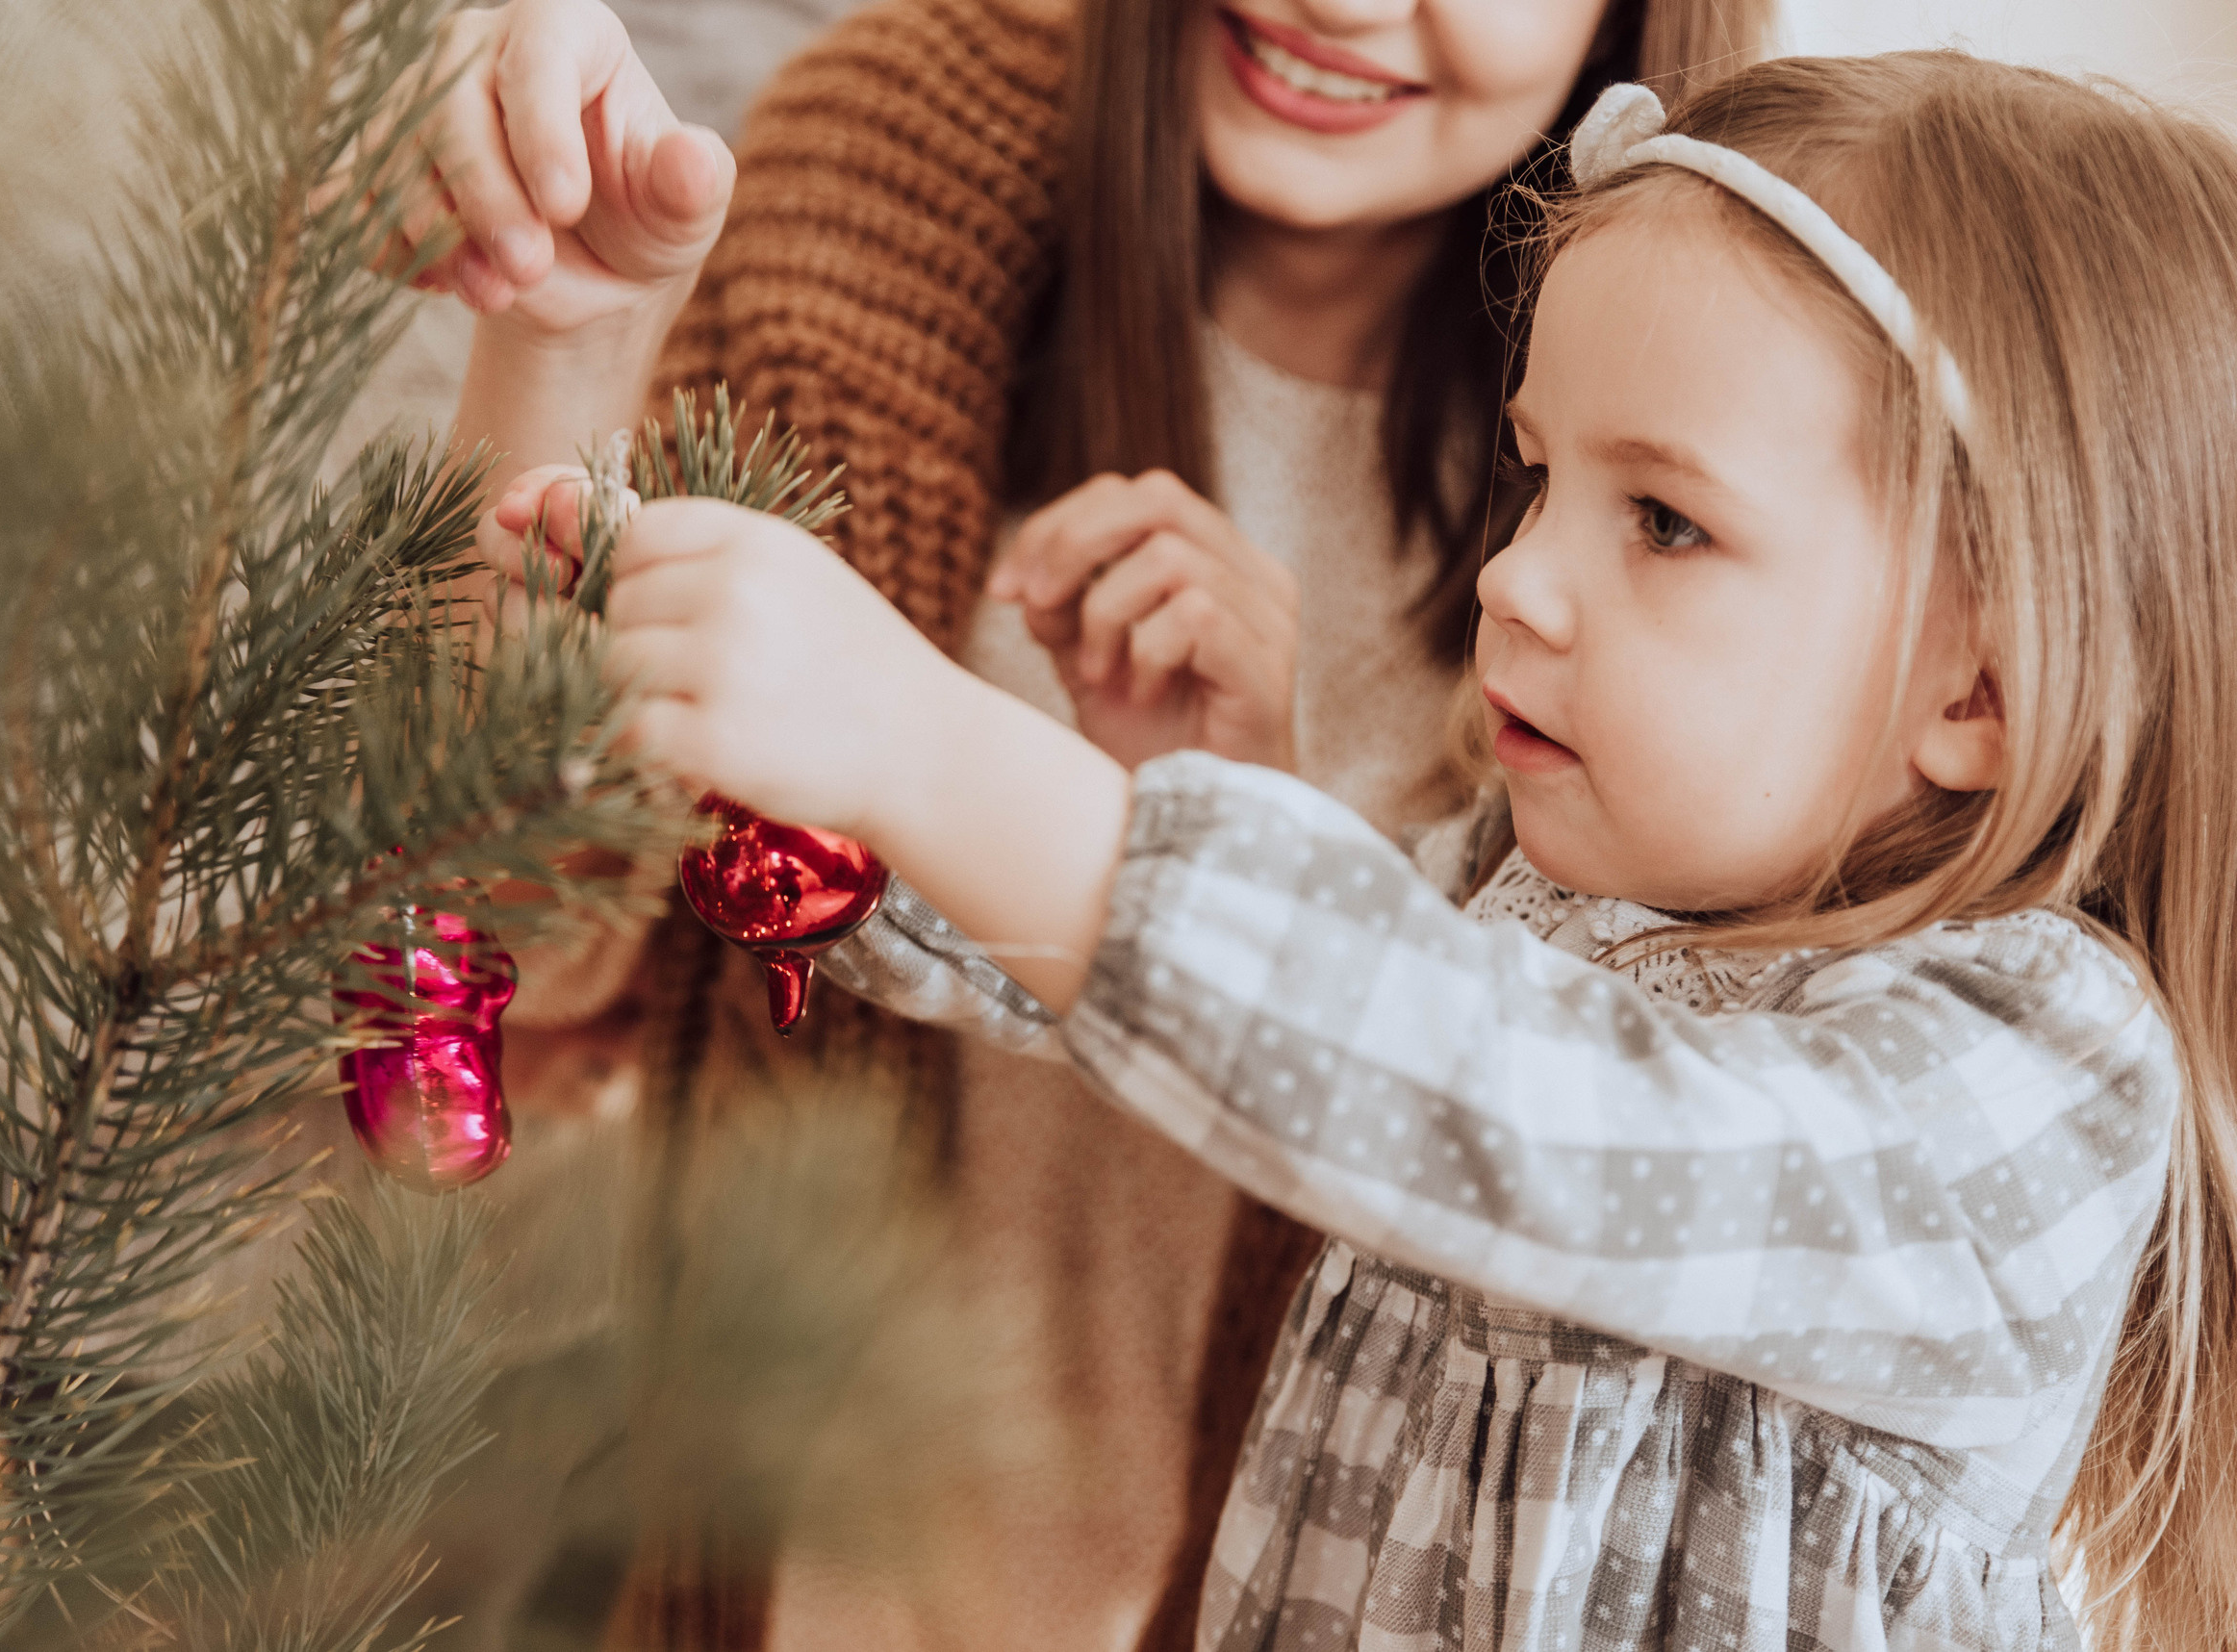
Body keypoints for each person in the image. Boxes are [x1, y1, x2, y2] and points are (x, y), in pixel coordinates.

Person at [556, 51, 2237, 1650]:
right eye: (1539, 476)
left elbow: (1519, 1106)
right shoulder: (1540, 903)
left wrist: (932, 741)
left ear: (1981, 689)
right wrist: (782, 764)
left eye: (1665, 521)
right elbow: (1204, 992)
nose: (1519, 577)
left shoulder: (2036, 1077)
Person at [399, 0, 1768, 1642]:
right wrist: (560, 347)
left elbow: (1606, 1178)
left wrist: (1232, 828)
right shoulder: (888, 182)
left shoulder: (1737, 465)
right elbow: (489, 952)